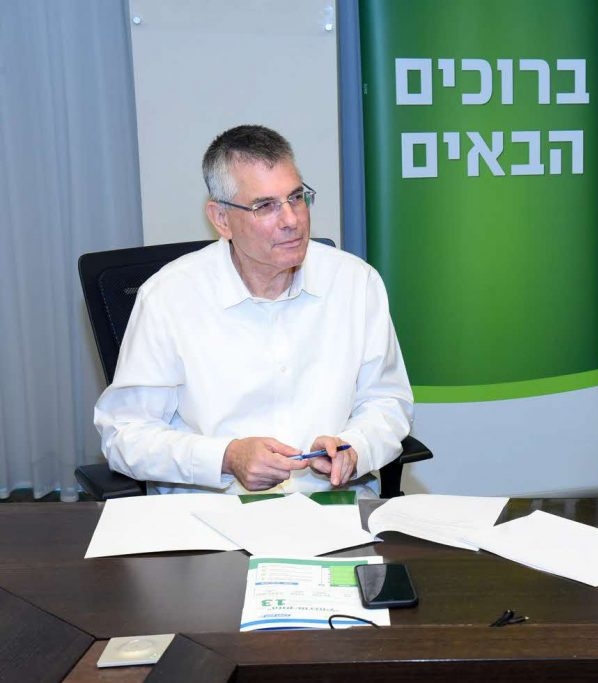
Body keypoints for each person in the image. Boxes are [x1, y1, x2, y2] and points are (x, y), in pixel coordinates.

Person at [94, 125, 413, 495]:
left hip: (332, 504)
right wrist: (226, 457)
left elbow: (387, 403)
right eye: (265, 206)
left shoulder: (356, 282)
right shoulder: (169, 297)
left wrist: (355, 447)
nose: (292, 220)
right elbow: (125, 434)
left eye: (296, 198)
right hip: (214, 510)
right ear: (221, 219)